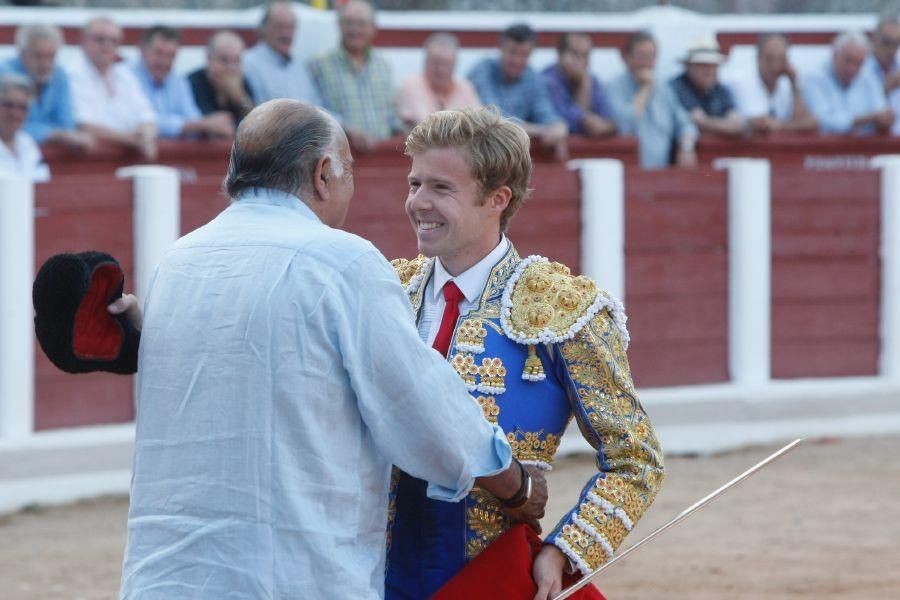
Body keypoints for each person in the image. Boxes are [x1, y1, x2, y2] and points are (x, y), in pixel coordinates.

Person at [118, 99, 547, 599]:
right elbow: (425, 413)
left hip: (164, 578)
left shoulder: (176, 261)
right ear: (323, 175)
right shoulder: (341, 262)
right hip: (291, 578)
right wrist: (514, 484)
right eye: (348, 174)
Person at [385, 107, 664, 599]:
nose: (418, 203)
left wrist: (566, 550)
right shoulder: (386, 291)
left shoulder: (561, 308)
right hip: (368, 572)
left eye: (441, 188)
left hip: (486, 576)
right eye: (414, 184)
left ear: (497, 199)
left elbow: (635, 459)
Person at [309, 0, 402, 152]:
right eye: (349, 23)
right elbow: (313, 111)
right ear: (339, 25)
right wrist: (345, 129)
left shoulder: (383, 66)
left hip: (381, 159)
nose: (355, 30)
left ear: (373, 28)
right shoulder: (319, 65)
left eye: (361, 24)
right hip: (338, 159)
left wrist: (404, 129)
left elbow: (391, 116)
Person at [468, 23, 569, 160]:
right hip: (482, 157)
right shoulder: (483, 71)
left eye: (524, 55)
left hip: (517, 161)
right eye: (513, 52)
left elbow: (547, 114)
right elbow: (493, 120)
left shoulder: (532, 77)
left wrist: (559, 127)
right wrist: (542, 131)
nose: (517, 60)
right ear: (501, 48)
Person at [66, 17, 158, 159]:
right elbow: (84, 125)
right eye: (100, 40)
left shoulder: (124, 73)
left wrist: (146, 135)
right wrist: (131, 139)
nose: (107, 46)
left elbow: (147, 117)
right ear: (83, 41)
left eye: (114, 41)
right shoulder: (72, 74)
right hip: (91, 161)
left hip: (127, 157)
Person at [606, 31, 698, 169]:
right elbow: (624, 126)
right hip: (627, 176)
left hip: (660, 174)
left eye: (651, 57)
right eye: (642, 56)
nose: (647, 63)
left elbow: (685, 123)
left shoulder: (663, 89)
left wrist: (686, 146)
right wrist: (645, 88)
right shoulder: (613, 87)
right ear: (626, 58)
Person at [1, 24, 93, 152]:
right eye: (38, 56)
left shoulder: (60, 75)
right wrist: (54, 134)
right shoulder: (4, 74)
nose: (45, 63)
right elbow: (10, 126)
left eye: (51, 56)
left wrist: (55, 134)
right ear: (21, 53)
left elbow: (67, 125)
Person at [132, 25, 234, 139]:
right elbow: (139, 121)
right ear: (142, 50)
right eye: (158, 53)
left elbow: (193, 118)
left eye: (170, 56)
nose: (164, 61)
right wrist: (199, 125)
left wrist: (211, 126)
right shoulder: (126, 77)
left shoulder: (178, 81)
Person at [802, 30, 894, 134]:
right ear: (835, 54)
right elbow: (821, 121)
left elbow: (880, 111)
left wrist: (885, 119)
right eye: (848, 61)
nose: (852, 69)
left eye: (858, 64)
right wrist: (866, 119)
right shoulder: (814, 78)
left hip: (864, 148)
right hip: (825, 148)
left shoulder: (868, 77)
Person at [728, 33, 817, 134]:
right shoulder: (740, 82)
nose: (775, 66)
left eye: (781, 59)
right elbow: (759, 125)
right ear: (758, 58)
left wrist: (794, 85)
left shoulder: (789, 83)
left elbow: (810, 123)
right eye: (769, 59)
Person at [241, 1, 321, 106]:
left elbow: (316, 107)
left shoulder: (301, 67)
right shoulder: (246, 63)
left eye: (290, 27)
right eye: (279, 27)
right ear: (263, 29)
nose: (286, 33)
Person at [395, 32, 481, 127]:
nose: (441, 69)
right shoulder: (411, 86)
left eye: (446, 64)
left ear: (455, 64)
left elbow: (477, 125)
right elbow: (422, 128)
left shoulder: (466, 88)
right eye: (436, 63)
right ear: (426, 62)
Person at [542, 32, 616, 137]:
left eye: (585, 55)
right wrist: (584, 84)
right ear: (560, 54)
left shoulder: (594, 81)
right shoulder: (547, 81)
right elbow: (572, 126)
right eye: (575, 54)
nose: (581, 61)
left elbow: (612, 121)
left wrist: (605, 126)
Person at [670, 35, 745, 138]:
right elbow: (697, 121)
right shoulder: (677, 87)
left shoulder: (720, 89)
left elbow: (737, 124)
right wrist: (723, 124)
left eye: (713, 65)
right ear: (688, 66)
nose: (709, 71)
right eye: (702, 65)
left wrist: (707, 122)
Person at [188, 30, 255, 126]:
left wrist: (240, 98)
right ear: (209, 58)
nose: (231, 68)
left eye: (236, 61)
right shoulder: (192, 83)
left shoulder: (243, 82)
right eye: (224, 60)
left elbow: (256, 121)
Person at [0, 73, 49, 181]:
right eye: (8, 105)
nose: (15, 113)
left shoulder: (27, 143)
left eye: (22, 107)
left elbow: (42, 180)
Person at [864, 14, 900, 134]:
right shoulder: (859, 69)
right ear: (874, 39)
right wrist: (883, 90)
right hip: (868, 143)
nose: (891, 50)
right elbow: (851, 111)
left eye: (896, 43)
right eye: (887, 42)